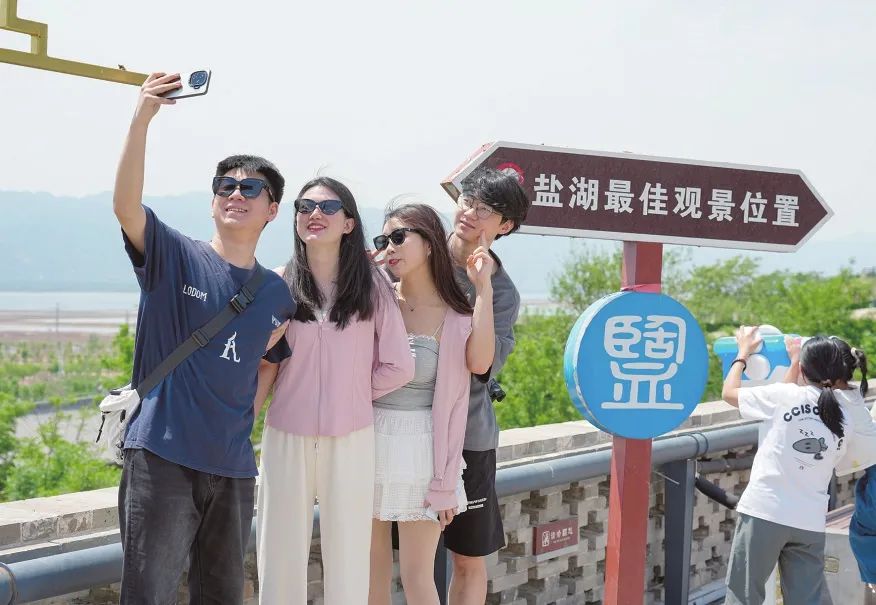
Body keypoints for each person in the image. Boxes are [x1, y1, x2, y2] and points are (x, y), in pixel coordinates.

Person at [113, 73, 296, 604]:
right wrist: (142, 117)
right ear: (213, 201)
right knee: (148, 594)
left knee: (222, 596)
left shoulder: (276, 294)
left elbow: (270, 360)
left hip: (233, 468)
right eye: (224, 187)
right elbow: (126, 207)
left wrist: (245, 419)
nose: (235, 194)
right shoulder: (175, 255)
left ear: (272, 210)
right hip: (162, 455)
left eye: (250, 188)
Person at [255, 177, 415, 604]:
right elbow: (261, 361)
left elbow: (400, 365)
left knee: (348, 555)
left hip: (352, 436)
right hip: (285, 433)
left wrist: (352, 393)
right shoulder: (277, 284)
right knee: (278, 551)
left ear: (348, 224)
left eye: (327, 208)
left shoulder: (373, 286)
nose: (314, 214)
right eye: (305, 206)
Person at [367, 204, 495, 605]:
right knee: (369, 576)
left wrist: (484, 289)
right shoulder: (373, 302)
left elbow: (480, 363)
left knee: (418, 577)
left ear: (429, 243)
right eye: (383, 240)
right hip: (365, 442)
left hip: (422, 451)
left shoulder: (455, 314)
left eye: (399, 237)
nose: (390, 247)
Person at [439, 167, 531, 605]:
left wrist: (482, 290)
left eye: (486, 209)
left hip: (467, 438)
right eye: (468, 201)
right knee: (394, 549)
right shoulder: (416, 255)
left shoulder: (502, 293)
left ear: (505, 225)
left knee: (467, 558)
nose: (470, 213)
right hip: (404, 425)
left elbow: (484, 367)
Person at [721, 327, 861, 605]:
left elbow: (729, 392)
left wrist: (743, 352)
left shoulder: (784, 397)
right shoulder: (846, 416)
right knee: (807, 600)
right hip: (809, 521)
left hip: (765, 512)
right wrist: (799, 361)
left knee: (744, 596)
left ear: (804, 371)